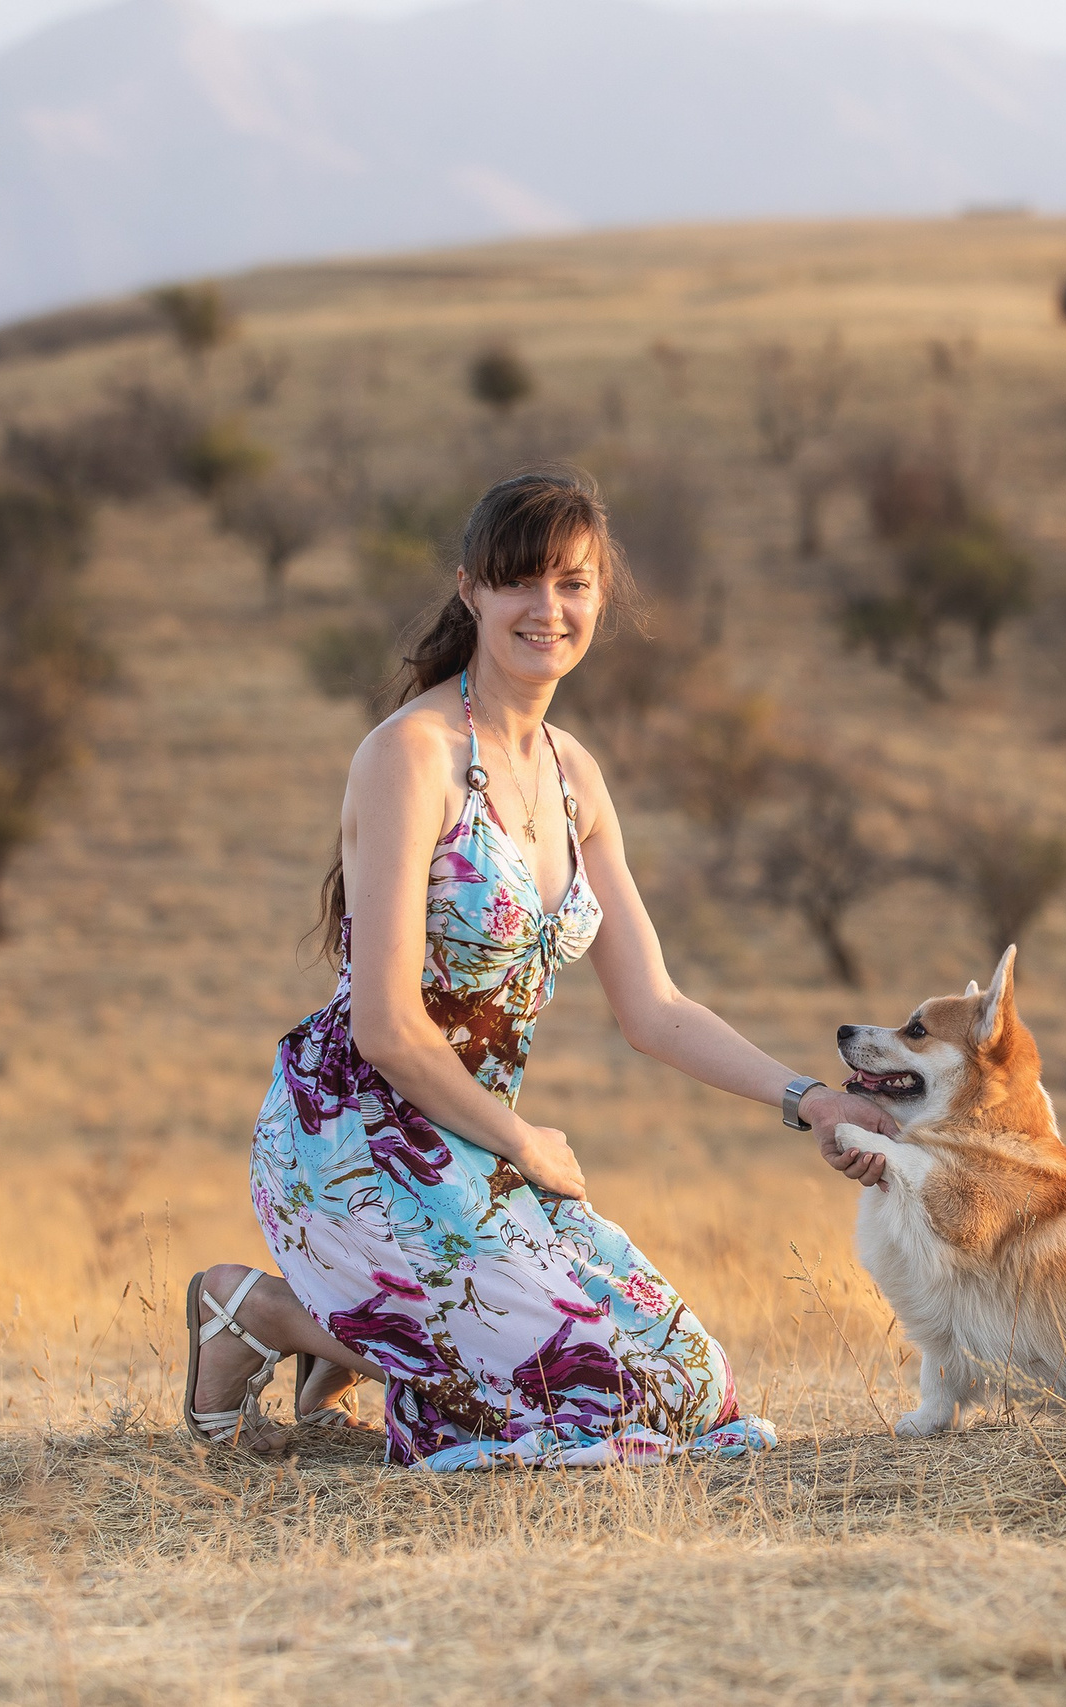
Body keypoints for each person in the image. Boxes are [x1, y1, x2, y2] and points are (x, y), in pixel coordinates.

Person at [183, 467, 895, 1468]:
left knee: (693, 1388)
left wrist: (811, 1098)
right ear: (471, 588)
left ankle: (388, 1334)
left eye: (574, 583)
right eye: (521, 581)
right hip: (361, 1132)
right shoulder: (410, 755)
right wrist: (522, 1137)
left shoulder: (574, 777)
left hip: (486, 1154)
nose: (548, 609)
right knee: (580, 1393)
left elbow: (653, 1005)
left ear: (600, 597)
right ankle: (259, 1312)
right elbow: (386, 1029)